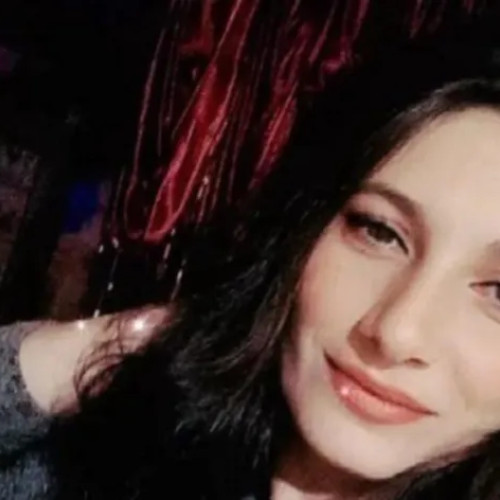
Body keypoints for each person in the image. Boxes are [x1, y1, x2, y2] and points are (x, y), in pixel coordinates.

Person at [4, 47, 500, 499]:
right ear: (302, 228)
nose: (396, 332)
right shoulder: (122, 452)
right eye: (379, 232)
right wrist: (163, 337)